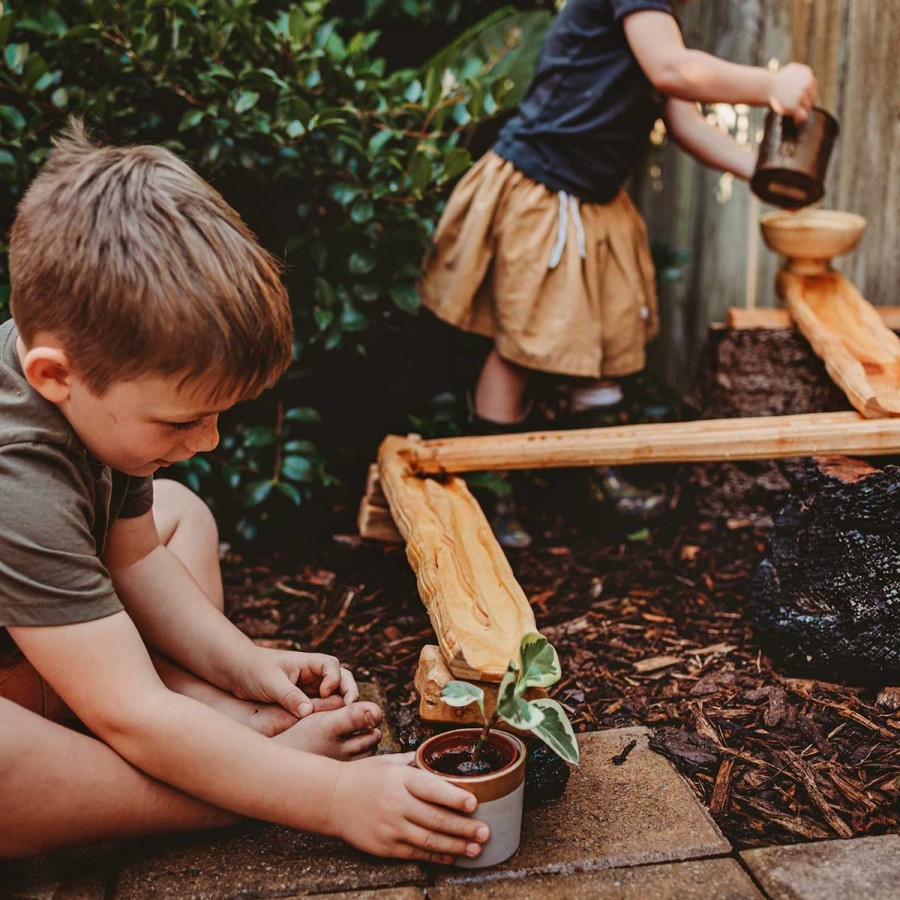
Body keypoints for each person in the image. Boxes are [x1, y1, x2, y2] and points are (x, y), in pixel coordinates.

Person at [0, 123, 489, 863]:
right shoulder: (18, 482)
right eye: (184, 419)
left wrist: (241, 662)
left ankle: (217, 731)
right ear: (53, 376)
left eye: (220, 414)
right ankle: (203, 799)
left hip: (49, 656)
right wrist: (329, 798)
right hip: (41, 695)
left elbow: (132, 561)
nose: (209, 441)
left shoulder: (96, 396)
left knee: (182, 515)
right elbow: (129, 713)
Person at [420, 0, 818, 547]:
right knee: (519, 347)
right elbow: (671, 69)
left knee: (604, 337)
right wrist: (772, 85)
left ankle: (597, 479)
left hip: (592, 198)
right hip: (545, 187)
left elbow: (680, 117)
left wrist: (762, 171)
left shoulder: (657, 14)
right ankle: (492, 485)